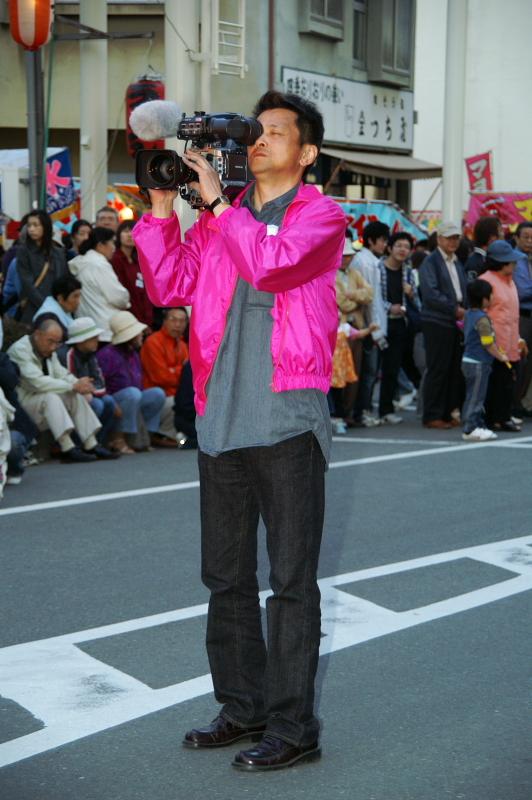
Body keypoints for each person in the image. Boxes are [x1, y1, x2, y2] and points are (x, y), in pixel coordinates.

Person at [133, 89, 345, 771]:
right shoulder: (219, 220)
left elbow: (273, 264)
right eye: (255, 133)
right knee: (225, 577)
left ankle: (293, 727)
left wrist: (219, 206)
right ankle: (243, 707)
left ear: (306, 153)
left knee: (290, 582)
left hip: (286, 414)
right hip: (220, 416)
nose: (258, 143)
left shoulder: (322, 216)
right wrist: (164, 210)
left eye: (275, 134)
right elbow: (169, 287)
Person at [7, 318, 110, 462]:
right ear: (37, 334)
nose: (54, 347)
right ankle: (67, 448)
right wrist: (72, 385)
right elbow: (37, 383)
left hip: (40, 400)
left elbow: (61, 373)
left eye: (57, 342)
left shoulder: (47, 349)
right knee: (51, 397)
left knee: (72, 393)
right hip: (23, 404)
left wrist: (78, 384)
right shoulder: (20, 350)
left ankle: (91, 443)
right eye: (50, 341)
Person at [419, 220, 468, 429]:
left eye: (456, 237)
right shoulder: (430, 262)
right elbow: (431, 294)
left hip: (455, 320)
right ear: (439, 239)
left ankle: (447, 412)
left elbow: (462, 290)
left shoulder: (456, 261)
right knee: (438, 368)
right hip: (437, 320)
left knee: (452, 369)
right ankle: (432, 414)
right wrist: (454, 308)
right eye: (449, 237)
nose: (453, 241)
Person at [97, 311, 166, 454]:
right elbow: (100, 383)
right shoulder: (106, 355)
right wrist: (111, 400)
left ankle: (147, 436)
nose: (142, 334)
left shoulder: (133, 353)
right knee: (132, 394)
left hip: (133, 397)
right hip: (117, 400)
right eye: (138, 333)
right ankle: (119, 438)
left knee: (157, 394)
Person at [482, 240, 528, 432]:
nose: (515, 264)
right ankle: (494, 418)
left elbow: (513, 315)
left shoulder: (510, 282)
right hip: (494, 341)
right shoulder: (486, 281)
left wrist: (518, 339)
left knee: (508, 381)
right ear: (501, 262)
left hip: (510, 339)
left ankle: (503, 416)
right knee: (495, 382)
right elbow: (482, 312)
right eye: (511, 261)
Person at [376, 231, 419, 424]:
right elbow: (374, 298)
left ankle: (386, 410)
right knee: (373, 369)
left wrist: (411, 293)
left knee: (392, 368)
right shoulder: (378, 268)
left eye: (407, 247)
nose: (403, 250)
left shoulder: (408, 272)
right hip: (379, 323)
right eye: (399, 246)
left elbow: (417, 303)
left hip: (400, 324)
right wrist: (388, 307)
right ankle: (366, 410)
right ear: (390, 247)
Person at [351, 220, 390, 427]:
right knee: (368, 372)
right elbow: (370, 300)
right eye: (383, 240)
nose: (385, 244)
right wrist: (374, 329)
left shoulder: (370, 261)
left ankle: (362, 410)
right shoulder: (366, 263)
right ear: (372, 240)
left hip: (371, 325)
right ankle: (361, 411)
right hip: (368, 325)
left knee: (369, 372)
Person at [461, 279, 509, 441]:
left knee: (472, 395)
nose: (493, 297)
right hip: (478, 362)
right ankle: (470, 428)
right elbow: (488, 343)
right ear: (484, 298)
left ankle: (477, 424)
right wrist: (501, 356)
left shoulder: (469, 314)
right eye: (491, 295)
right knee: (476, 397)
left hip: (468, 360)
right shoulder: (482, 319)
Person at [64, 317, 121, 452]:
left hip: (88, 393)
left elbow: (99, 381)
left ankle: (97, 442)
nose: (97, 340)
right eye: (93, 337)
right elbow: (72, 382)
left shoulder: (90, 354)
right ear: (81, 340)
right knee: (97, 404)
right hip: (71, 396)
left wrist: (90, 389)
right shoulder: (69, 354)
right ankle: (79, 444)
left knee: (109, 401)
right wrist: (89, 389)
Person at [335, 236, 373, 424]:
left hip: (356, 327)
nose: (345, 259)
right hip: (338, 330)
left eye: (348, 256)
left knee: (355, 371)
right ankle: (340, 412)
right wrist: (356, 298)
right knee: (339, 372)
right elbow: (339, 301)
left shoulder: (354, 273)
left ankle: (348, 412)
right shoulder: (330, 273)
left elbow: (370, 293)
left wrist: (352, 296)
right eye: (343, 256)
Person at [69, 227, 130, 342]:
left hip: (89, 327)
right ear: (100, 245)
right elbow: (118, 297)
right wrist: (127, 300)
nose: (114, 248)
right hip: (106, 328)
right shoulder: (99, 264)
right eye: (112, 242)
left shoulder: (82, 263)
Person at [140, 306, 189, 445]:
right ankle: (161, 434)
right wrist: (181, 371)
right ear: (164, 321)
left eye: (182, 321)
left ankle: (172, 434)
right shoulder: (153, 342)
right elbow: (161, 377)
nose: (178, 325)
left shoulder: (183, 345)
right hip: (159, 397)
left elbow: (189, 376)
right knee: (179, 401)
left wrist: (174, 370)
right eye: (173, 320)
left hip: (174, 393)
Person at [16, 209, 69, 325]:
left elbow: (64, 280)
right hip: (34, 308)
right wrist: (47, 307)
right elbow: (27, 284)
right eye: (29, 225)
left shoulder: (58, 253)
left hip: (58, 308)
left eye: (36, 225)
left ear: (46, 227)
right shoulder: (23, 251)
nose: (31, 229)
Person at [111, 220, 154, 327]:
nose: (130, 235)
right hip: (125, 315)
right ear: (118, 235)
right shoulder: (115, 259)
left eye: (134, 231)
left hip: (143, 316)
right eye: (126, 231)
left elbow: (145, 291)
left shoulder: (139, 260)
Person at [512, 222, 532, 415]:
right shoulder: (514, 260)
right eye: (525, 236)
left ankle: (520, 402)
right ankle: (512, 402)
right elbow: (521, 290)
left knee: (529, 363)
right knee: (519, 358)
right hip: (521, 316)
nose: (529, 240)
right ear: (516, 238)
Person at [464, 216, 502, 282]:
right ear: (492, 237)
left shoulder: (489, 258)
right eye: (500, 231)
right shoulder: (475, 263)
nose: (502, 235)